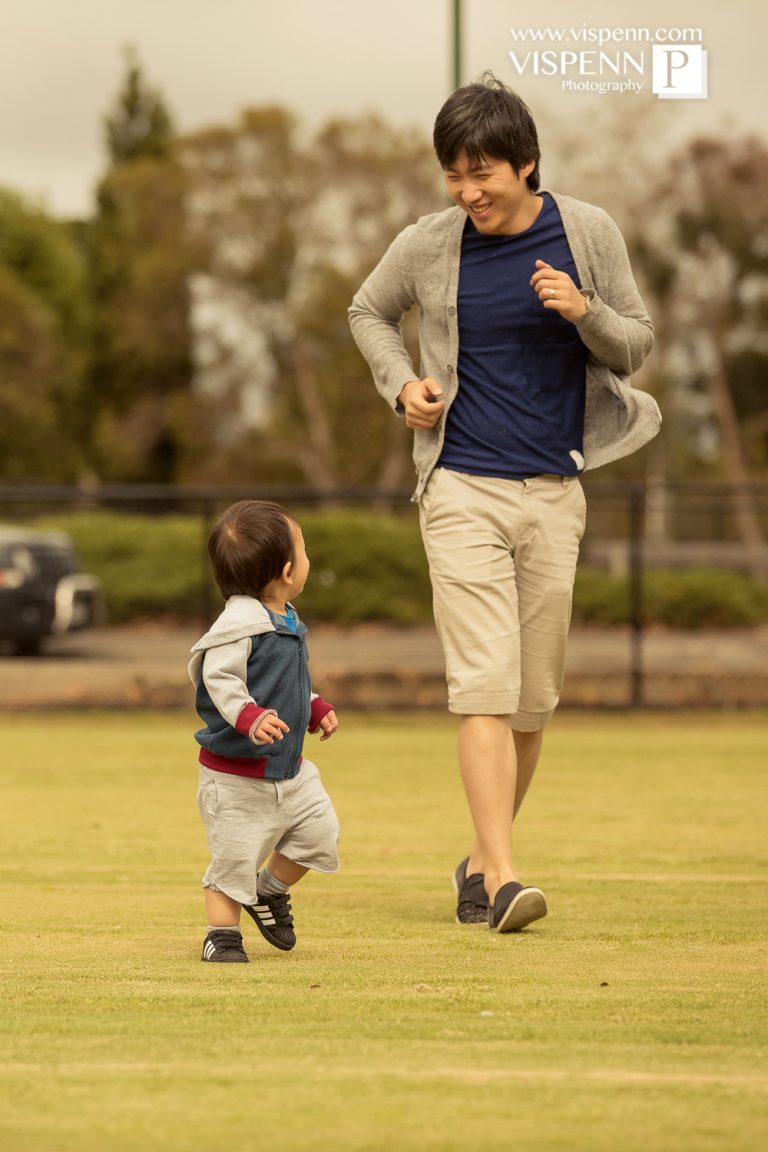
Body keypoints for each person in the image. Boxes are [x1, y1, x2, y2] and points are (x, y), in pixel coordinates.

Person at [348, 74, 660, 935]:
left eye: (481, 172)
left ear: (527, 165)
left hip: (556, 492)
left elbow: (636, 342)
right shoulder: (430, 243)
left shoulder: (587, 232)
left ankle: (482, 860)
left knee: (533, 698)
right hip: (461, 488)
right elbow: (368, 311)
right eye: (453, 174)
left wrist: (584, 310)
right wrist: (402, 384)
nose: (466, 191)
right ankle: (507, 879)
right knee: (482, 685)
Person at [189, 499, 340, 963]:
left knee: (320, 833)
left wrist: (311, 706)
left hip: (288, 770)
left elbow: (285, 681)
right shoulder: (238, 625)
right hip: (237, 778)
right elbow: (221, 680)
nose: (309, 558)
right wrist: (249, 716)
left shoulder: (286, 619)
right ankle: (222, 935)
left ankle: (270, 890)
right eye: (305, 549)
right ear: (290, 569)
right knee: (233, 860)